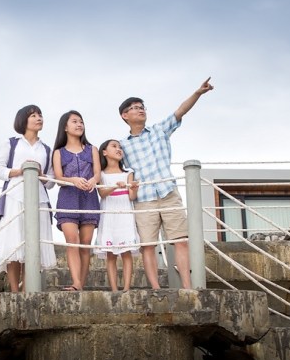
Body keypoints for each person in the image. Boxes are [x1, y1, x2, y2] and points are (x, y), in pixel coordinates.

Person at [118, 77, 214, 289]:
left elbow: (180, 111)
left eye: (142, 107)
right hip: (143, 200)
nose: (140, 110)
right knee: (148, 246)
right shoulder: (122, 146)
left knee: (181, 241)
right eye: (134, 108)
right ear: (125, 115)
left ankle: (187, 287)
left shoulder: (159, 130)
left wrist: (198, 93)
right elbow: (112, 167)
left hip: (168, 192)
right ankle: (156, 289)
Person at [0, 105, 56, 292]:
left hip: (39, 199)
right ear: (23, 120)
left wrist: (41, 174)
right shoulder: (11, 143)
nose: (39, 118)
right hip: (14, 196)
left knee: (33, 244)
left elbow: (51, 181)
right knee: (14, 244)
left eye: (41, 115)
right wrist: (20, 171)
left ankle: (29, 289)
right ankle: (14, 290)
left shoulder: (46, 148)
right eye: (34, 115)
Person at [51, 110, 101, 291]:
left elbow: (97, 173)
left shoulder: (92, 149)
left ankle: (81, 282)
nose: (79, 125)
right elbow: (58, 177)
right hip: (67, 198)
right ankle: (77, 284)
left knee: (85, 244)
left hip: (89, 198)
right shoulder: (58, 152)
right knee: (72, 240)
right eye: (74, 121)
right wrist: (73, 180)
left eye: (81, 122)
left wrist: (93, 181)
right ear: (65, 126)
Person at [95, 139, 139, 292]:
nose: (118, 149)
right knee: (111, 254)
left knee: (126, 252)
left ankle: (126, 288)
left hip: (125, 213)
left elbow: (132, 196)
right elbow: (102, 193)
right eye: (114, 146)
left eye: (120, 147)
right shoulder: (100, 174)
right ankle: (114, 289)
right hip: (109, 214)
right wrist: (114, 186)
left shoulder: (128, 172)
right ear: (104, 152)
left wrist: (134, 188)